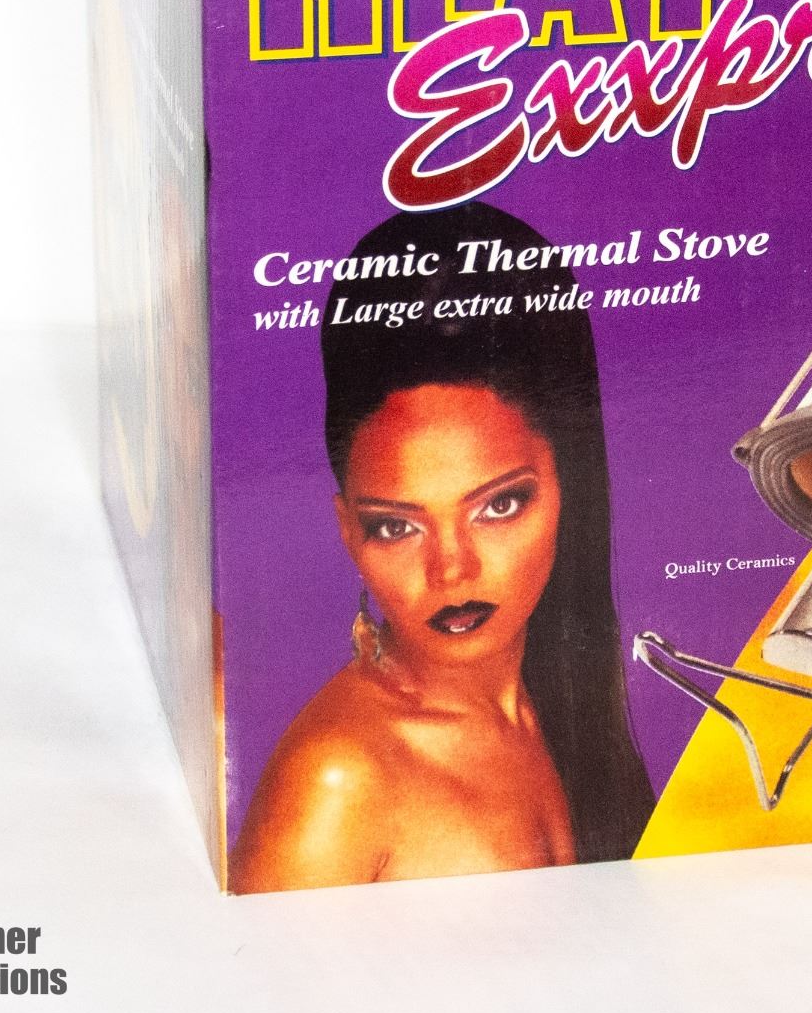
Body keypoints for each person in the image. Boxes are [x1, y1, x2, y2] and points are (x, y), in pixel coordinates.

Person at [231, 201, 654, 890]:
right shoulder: (339, 782)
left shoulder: (562, 709)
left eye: (498, 505)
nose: (451, 569)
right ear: (348, 528)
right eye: (395, 525)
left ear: (568, 489)